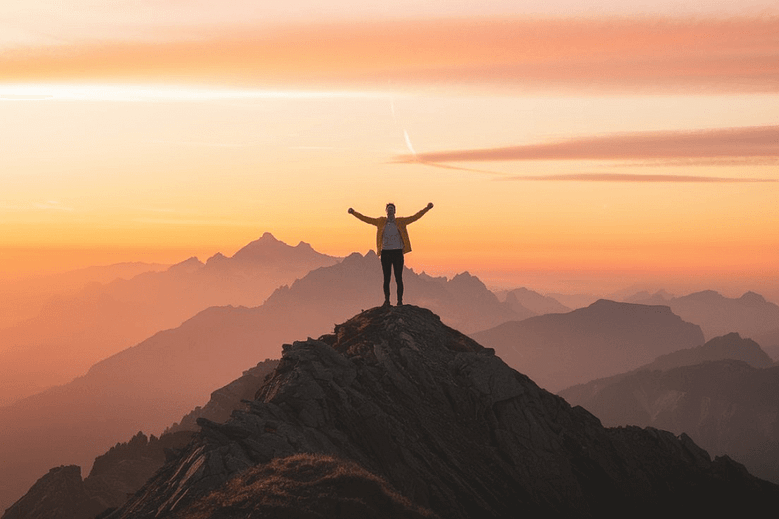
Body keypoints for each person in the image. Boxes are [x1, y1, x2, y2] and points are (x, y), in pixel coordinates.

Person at [348, 202, 434, 306]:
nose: (390, 210)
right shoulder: (380, 221)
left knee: (398, 278)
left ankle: (399, 302)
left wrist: (427, 208)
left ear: (395, 211)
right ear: (386, 211)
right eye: (388, 208)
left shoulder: (401, 221)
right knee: (386, 278)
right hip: (385, 253)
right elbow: (366, 219)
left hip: (398, 252)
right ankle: (387, 301)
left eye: (392, 208)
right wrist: (353, 213)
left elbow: (415, 217)